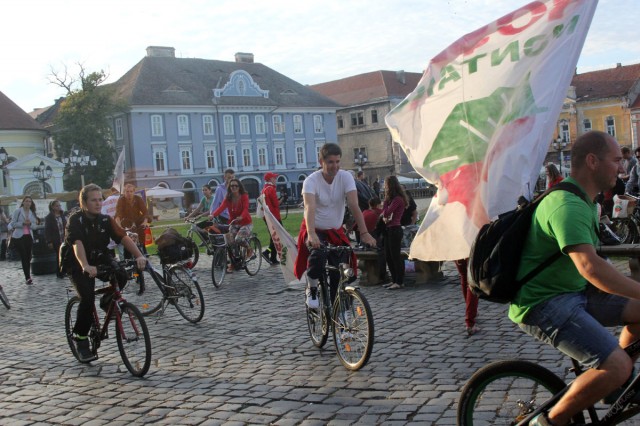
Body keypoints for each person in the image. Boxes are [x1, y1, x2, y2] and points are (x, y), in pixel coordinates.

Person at [510, 131, 640, 426]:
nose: (622, 168)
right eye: (616, 160)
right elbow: (590, 267)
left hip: (573, 291)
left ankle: (615, 386)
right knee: (617, 366)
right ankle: (548, 422)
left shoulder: (584, 200)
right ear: (593, 161)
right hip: (543, 302)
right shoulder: (566, 205)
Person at [66, 184, 147, 363]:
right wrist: (85, 265)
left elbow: (123, 237)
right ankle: (80, 338)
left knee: (121, 274)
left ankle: (107, 301)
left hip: (99, 257)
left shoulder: (105, 220)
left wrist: (140, 255)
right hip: (77, 262)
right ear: (84, 203)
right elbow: (76, 243)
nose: (98, 203)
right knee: (87, 298)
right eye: (93, 200)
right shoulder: (76, 220)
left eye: (100, 199)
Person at [293, 143, 375, 308]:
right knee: (318, 255)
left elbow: (354, 204)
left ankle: (340, 315)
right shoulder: (311, 181)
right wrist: (311, 233)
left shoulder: (345, 177)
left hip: (335, 231)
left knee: (340, 273)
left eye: (337, 161)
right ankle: (313, 288)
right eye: (330, 162)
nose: (335, 166)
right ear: (321, 161)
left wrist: (365, 233)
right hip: (315, 229)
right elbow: (310, 207)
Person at [209, 178, 252, 273]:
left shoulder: (244, 196)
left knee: (239, 239)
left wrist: (241, 216)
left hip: (245, 222)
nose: (234, 187)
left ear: (239, 187)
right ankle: (234, 262)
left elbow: (246, 208)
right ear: (229, 187)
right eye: (232, 186)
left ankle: (249, 248)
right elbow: (221, 208)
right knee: (230, 242)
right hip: (233, 223)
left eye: (236, 185)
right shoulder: (228, 198)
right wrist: (213, 215)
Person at [381, 176, 408, 290]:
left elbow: (386, 212)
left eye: (386, 185)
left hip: (395, 229)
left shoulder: (397, 199)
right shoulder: (392, 199)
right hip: (389, 229)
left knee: (395, 256)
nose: (385, 188)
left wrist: (385, 202)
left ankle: (399, 281)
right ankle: (394, 280)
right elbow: (385, 214)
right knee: (388, 256)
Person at [10, 196, 40, 285]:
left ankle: (28, 275)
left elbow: (35, 226)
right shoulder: (18, 211)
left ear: (31, 203)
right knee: (23, 256)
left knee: (28, 256)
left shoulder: (32, 213)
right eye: (26, 201)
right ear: (23, 202)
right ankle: (28, 277)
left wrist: (30, 223)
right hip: (19, 237)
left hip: (28, 237)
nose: (28, 203)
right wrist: (23, 223)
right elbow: (13, 224)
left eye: (30, 202)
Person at [115, 183, 151, 252]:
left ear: (134, 192)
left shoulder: (138, 199)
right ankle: (128, 254)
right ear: (124, 192)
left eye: (131, 191)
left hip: (138, 221)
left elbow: (145, 212)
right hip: (126, 222)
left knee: (142, 235)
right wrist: (120, 227)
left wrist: (145, 222)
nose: (129, 193)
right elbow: (118, 215)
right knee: (127, 240)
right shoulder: (121, 200)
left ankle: (143, 250)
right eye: (127, 191)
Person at [454, 258, 480, 336]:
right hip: (471, 248)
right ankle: (470, 323)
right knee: (473, 280)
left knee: (464, 275)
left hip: (457, 248)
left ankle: (471, 312)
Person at [260, 172, 281, 265]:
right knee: (278, 237)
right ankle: (267, 252)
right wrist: (283, 199)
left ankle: (273, 257)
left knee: (273, 237)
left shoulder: (264, 189)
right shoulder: (271, 189)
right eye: (274, 178)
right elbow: (276, 204)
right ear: (270, 179)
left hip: (267, 217)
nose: (275, 180)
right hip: (274, 217)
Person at [44, 199, 67, 278]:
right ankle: (59, 272)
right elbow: (47, 230)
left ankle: (64, 270)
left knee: (65, 255)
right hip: (56, 240)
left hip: (64, 239)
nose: (59, 207)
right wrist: (49, 241)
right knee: (59, 256)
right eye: (57, 206)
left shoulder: (62, 215)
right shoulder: (49, 217)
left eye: (59, 205)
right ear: (53, 207)